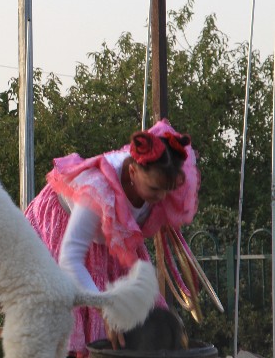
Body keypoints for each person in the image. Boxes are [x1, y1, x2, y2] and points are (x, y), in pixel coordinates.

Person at [24, 119, 199, 358]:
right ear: (132, 172)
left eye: (167, 190)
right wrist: (105, 308)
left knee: (133, 319)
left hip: (110, 238)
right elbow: (69, 260)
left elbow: (157, 196)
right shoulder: (97, 191)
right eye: (154, 190)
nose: (162, 198)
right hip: (65, 232)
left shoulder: (158, 171)